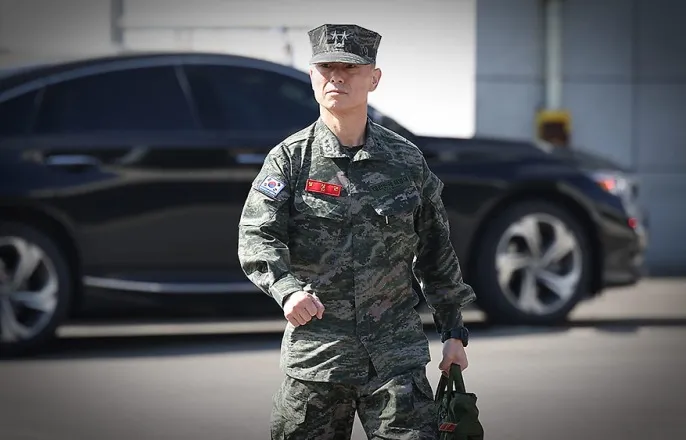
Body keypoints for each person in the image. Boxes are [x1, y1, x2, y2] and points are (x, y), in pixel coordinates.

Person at [237, 23, 477, 440]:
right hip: (318, 361)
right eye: (326, 68)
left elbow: (435, 249)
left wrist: (453, 331)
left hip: (395, 362)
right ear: (312, 76)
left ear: (374, 78)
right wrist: (287, 290)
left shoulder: (406, 161)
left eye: (350, 67)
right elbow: (257, 235)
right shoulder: (290, 160)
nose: (337, 77)